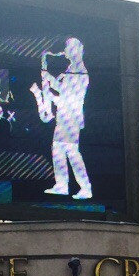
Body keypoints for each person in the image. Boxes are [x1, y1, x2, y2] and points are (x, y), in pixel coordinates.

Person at [30, 37, 93, 199]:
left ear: (79, 49)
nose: (65, 51)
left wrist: (49, 96)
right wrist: (47, 77)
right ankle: (64, 186)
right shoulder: (72, 68)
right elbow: (61, 88)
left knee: (70, 152)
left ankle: (83, 188)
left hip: (70, 117)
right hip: (66, 117)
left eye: (69, 47)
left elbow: (68, 98)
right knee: (61, 150)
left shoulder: (78, 70)